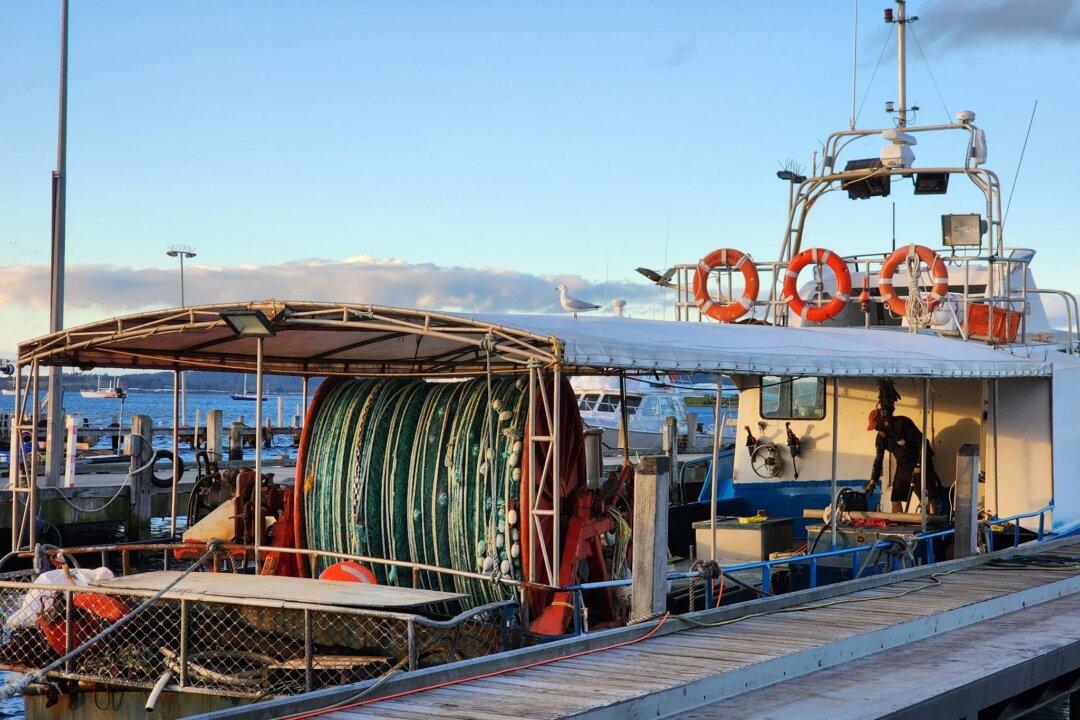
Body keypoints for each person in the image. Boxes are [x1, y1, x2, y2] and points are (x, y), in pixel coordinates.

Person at [863, 407, 940, 514]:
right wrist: (872, 481)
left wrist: (919, 464)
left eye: (877, 427)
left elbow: (924, 442)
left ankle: (934, 523)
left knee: (927, 498)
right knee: (895, 499)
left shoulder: (902, 423)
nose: (877, 430)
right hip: (903, 465)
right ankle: (897, 524)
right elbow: (878, 458)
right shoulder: (880, 438)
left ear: (884, 421)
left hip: (920, 462)